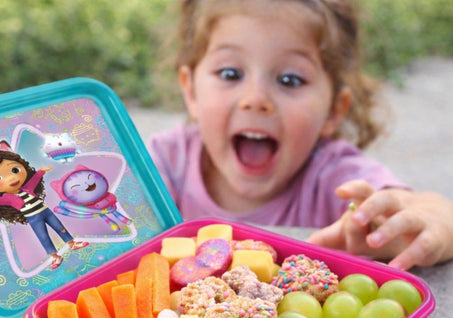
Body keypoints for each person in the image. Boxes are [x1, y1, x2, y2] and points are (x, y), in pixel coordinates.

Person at [148, 0, 453, 270]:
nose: (256, 99)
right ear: (191, 90)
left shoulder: (336, 178)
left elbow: (423, 211)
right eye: (231, 74)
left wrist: (421, 225)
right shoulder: (163, 163)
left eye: (289, 80)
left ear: (334, 109)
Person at [0, 141, 88, 269]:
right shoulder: (8, 198)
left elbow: (34, 179)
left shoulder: (28, 188)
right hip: (33, 218)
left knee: (59, 227)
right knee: (43, 237)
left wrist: (42, 171)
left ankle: (72, 243)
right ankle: (55, 256)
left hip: (46, 211)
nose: (11, 178)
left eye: (15, 170)